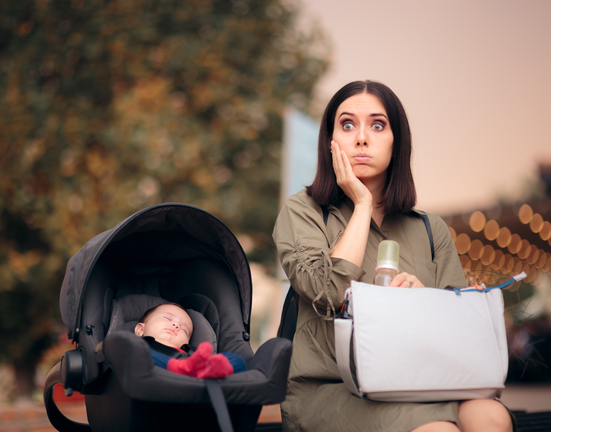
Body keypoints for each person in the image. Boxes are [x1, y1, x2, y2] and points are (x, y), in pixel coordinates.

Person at [272, 80, 513, 432]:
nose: (362, 138)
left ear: (397, 141)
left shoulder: (430, 229)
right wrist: (362, 204)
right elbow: (330, 292)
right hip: (332, 389)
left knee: (491, 416)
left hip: (416, 382)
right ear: (330, 142)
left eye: (378, 125)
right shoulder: (304, 211)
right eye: (348, 124)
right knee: (438, 430)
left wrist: (424, 300)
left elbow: (457, 327)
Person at [134, 302, 246, 378]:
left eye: (184, 330)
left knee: (236, 359)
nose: (176, 325)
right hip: (155, 371)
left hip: (193, 370)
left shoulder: (192, 353)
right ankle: (181, 368)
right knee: (130, 349)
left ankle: (209, 370)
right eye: (167, 318)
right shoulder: (138, 345)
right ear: (140, 329)